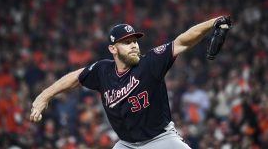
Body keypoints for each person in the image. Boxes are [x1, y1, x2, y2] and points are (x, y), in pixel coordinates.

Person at [30, 16, 231, 148]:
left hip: (160, 139)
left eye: (134, 40)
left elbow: (182, 41)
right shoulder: (103, 70)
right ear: (113, 49)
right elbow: (75, 78)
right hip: (127, 144)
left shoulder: (150, 63)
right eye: (126, 42)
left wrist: (213, 22)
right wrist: (44, 96)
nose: (134, 45)